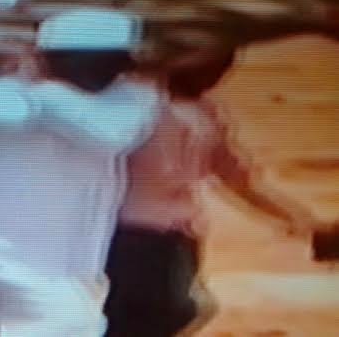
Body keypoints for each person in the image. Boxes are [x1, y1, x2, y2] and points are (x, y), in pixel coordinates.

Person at [0, 8, 163, 336]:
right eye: (81, 60)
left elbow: (112, 133)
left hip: (66, 257)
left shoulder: (129, 100)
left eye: (111, 61)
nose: (104, 71)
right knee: (71, 323)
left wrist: (38, 96)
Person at [104, 33, 322, 337]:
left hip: (178, 237)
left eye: (223, 63)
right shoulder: (130, 107)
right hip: (126, 235)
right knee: (158, 315)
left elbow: (239, 180)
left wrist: (302, 222)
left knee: (176, 313)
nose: (217, 72)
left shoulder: (207, 114)